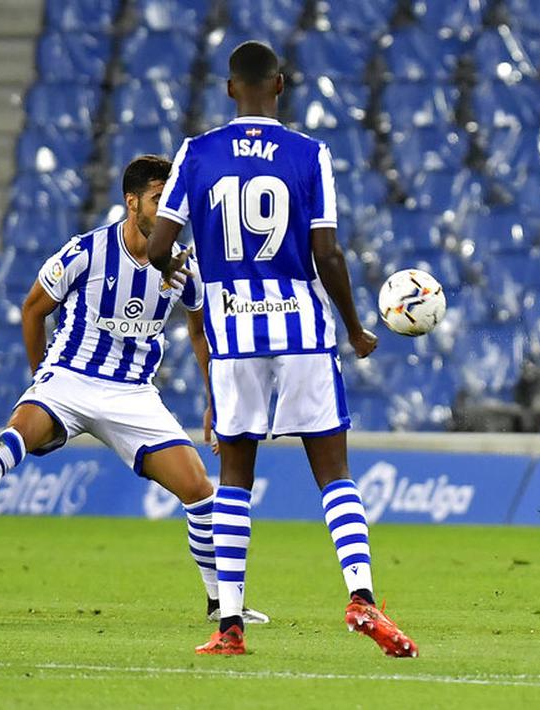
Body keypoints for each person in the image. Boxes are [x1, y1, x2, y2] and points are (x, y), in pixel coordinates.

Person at [147, 41, 416, 657]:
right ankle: (362, 597)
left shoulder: (197, 152)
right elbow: (328, 254)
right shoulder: (310, 154)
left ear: (228, 88)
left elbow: (159, 242)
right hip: (301, 329)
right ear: (281, 84)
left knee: (235, 477)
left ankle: (231, 624)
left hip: (233, 335)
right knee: (334, 473)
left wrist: (181, 266)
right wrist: (353, 328)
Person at [0, 155, 269, 626]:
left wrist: (216, 400)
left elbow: (200, 332)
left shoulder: (183, 266)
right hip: (70, 376)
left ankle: (219, 603)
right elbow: (33, 310)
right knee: (17, 433)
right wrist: (41, 378)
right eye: (160, 199)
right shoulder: (86, 252)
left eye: (173, 200)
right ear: (132, 203)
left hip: (132, 393)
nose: (170, 209)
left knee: (198, 487)